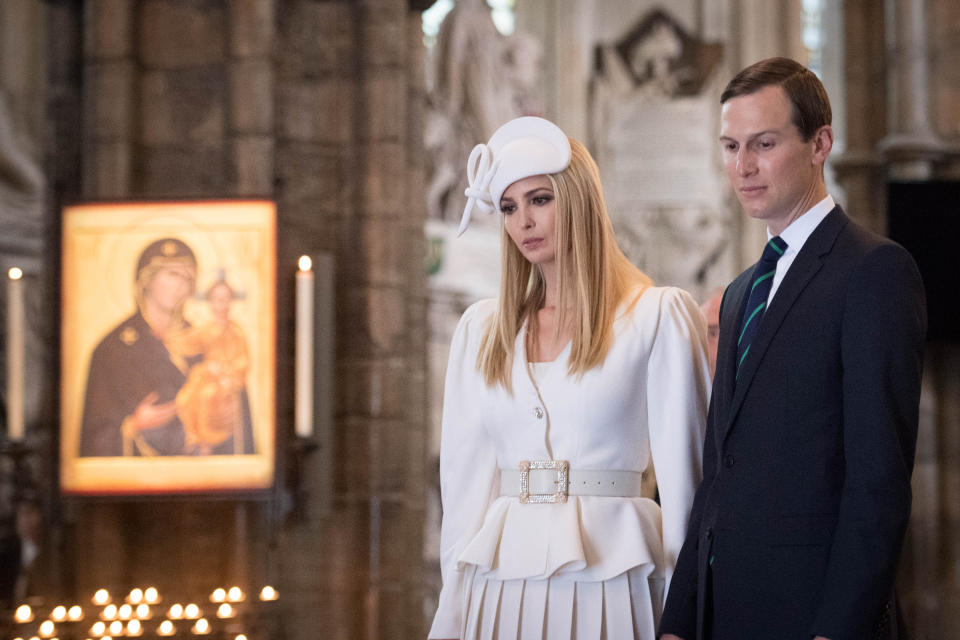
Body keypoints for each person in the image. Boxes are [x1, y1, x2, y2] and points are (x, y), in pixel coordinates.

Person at [659, 58, 926, 640]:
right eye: (730, 146)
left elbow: (877, 483)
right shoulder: (736, 295)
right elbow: (717, 477)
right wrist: (678, 621)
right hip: (722, 615)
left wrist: (836, 629)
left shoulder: (874, 272)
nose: (743, 166)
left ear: (820, 143)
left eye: (764, 143)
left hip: (811, 614)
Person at [429, 116, 711, 640]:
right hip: (501, 592)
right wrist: (452, 616)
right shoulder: (482, 331)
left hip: (616, 584)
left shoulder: (656, 316)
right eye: (509, 208)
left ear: (578, 200)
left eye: (539, 199)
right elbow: (464, 495)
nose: (523, 223)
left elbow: (687, 492)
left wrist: (684, 614)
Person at [80, 238, 206, 456]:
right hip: (133, 479)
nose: (180, 285)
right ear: (146, 279)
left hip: (197, 475)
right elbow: (94, 434)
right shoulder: (113, 349)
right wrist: (133, 426)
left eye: (187, 278)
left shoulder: (202, 341)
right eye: (172, 274)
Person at [174, 274, 255, 455]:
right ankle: (193, 436)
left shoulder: (236, 332)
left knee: (207, 396)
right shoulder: (206, 330)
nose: (221, 305)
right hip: (208, 376)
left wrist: (228, 374)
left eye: (226, 299)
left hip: (227, 382)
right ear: (210, 303)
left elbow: (242, 361)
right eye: (217, 300)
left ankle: (208, 442)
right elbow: (185, 343)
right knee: (185, 398)